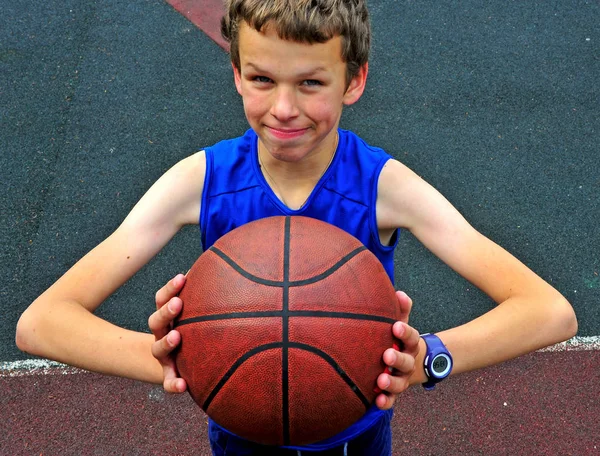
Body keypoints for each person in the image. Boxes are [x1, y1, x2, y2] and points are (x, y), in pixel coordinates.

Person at [16, 0, 577, 454]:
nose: (283, 108)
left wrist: (428, 356)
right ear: (236, 74)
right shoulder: (201, 181)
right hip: (240, 439)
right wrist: (183, 358)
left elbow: (549, 311)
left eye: (311, 83)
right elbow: (41, 324)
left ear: (353, 80)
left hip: (353, 441)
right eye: (262, 78)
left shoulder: (383, 186)